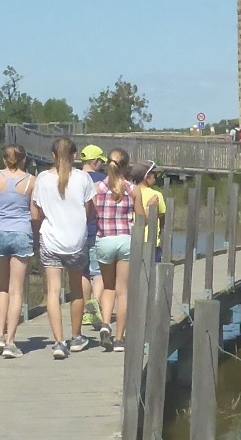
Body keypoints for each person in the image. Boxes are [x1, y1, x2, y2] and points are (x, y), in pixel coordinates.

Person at [31, 137, 96, 360]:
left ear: (52, 156)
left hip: (50, 240)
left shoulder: (42, 179)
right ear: (75, 156)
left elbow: (36, 213)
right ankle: (77, 336)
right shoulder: (84, 178)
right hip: (76, 241)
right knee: (77, 289)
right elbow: (90, 211)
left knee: (53, 291)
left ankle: (59, 342)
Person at [0, 145, 35, 359]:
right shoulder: (31, 181)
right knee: (16, 290)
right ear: (23, 160)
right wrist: (36, 237)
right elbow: (34, 213)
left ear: (4, 160)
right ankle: (11, 342)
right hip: (21, 234)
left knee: (2, 287)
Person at [92, 148, 146, 353]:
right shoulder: (132, 189)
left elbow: (92, 215)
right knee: (123, 291)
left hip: (104, 240)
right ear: (125, 166)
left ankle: (105, 323)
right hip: (124, 240)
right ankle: (119, 338)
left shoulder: (98, 188)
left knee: (108, 287)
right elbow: (141, 217)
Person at [78, 144, 109, 331]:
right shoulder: (103, 179)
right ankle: (95, 304)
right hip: (97, 229)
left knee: (83, 272)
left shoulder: (74, 178)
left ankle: (83, 310)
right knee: (98, 273)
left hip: (78, 231)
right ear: (95, 161)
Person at [131, 159, 166, 258]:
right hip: (150, 241)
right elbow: (162, 216)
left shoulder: (130, 192)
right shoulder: (156, 195)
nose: (156, 177)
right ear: (147, 177)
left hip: (131, 240)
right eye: (154, 174)